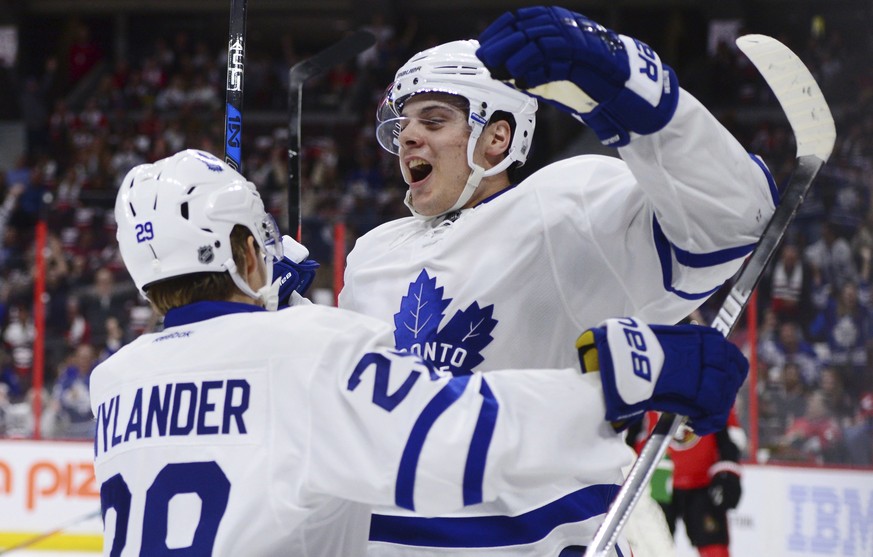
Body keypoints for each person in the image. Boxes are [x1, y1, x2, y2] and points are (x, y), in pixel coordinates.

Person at [91, 148, 747, 556]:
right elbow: (461, 436)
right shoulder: (304, 351)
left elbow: (256, 418)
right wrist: (624, 382)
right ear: (243, 251)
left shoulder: (114, 381)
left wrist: (281, 306)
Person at [336, 6, 776, 556]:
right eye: (403, 125)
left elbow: (734, 219)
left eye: (433, 120)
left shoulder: (560, 208)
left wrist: (632, 84)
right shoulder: (373, 253)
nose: (408, 138)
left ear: (497, 137)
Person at [631, 409, 745, 557]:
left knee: (714, 547)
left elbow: (728, 432)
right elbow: (630, 429)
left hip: (702, 481)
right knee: (650, 548)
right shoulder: (647, 389)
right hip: (656, 481)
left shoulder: (711, 388)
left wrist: (729, 469)